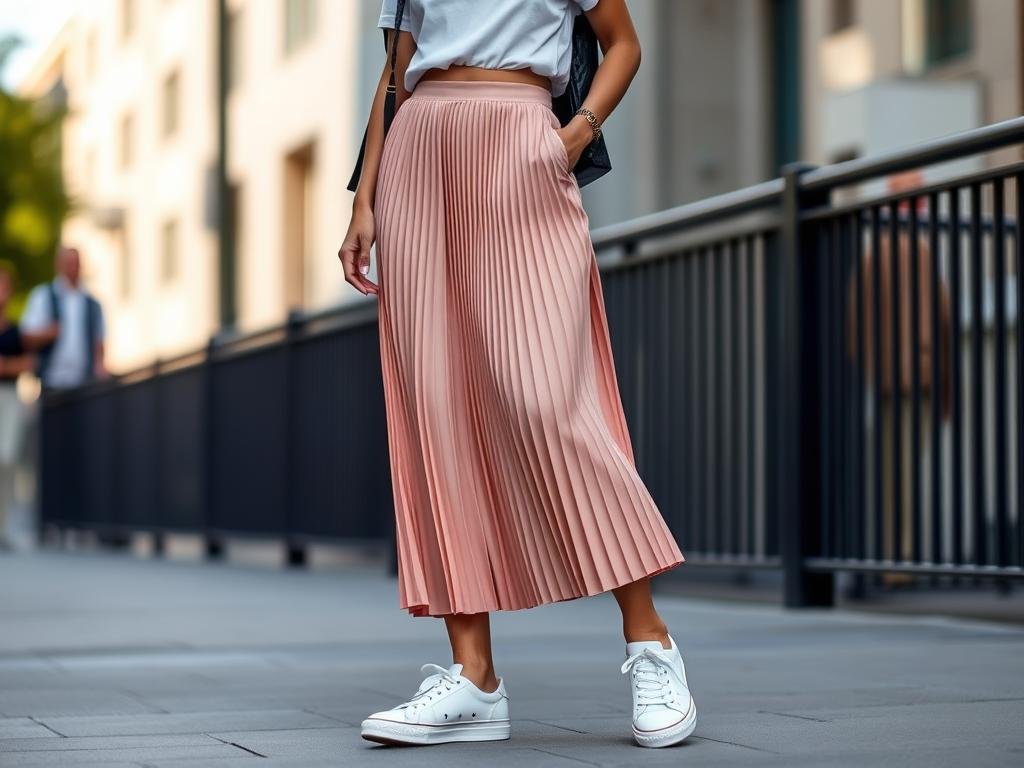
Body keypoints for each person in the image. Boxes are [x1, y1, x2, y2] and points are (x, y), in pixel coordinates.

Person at [338, 0, 694, 749]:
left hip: (522, 143)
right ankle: (474, 678)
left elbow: (623, 44)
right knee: (436, 408)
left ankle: (650, 639)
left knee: (547, 400)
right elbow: (397, 71)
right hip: (419, 151)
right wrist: (366, 196)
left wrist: (574, 135)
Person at [0, 261, 55, 548]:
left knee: (7, 459)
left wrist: (8, 366)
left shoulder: (15, 332)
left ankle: (4, 527)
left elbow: (29, 361)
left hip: (9, 399)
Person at [21, 246, 108, 392]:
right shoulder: (43, 296)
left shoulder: (92, 303)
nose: (73, 268)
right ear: (59, 265)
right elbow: (26, 336)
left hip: (84, 382)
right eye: (68, 263)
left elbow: (98, 341)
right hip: (51, 381)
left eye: (76, 263)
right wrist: (47, 334)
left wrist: (99, 365)